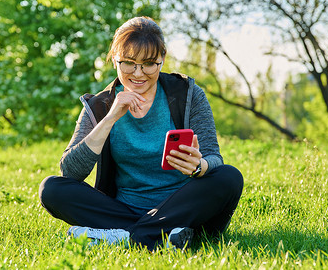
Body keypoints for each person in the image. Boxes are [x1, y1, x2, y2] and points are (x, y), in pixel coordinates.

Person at [39, 16, 243, 251]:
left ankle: (123, 236)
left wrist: (200, 167)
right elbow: (70, 172)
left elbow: (214, 158)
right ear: (115, 59)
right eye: (128, 63)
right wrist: (111, 117)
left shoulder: (188, 94)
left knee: (229, 176)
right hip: (123, 209)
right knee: (51, 188)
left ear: (162, 59)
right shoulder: (100, 105)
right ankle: (163, 236)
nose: (138, 73)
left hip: (183, 209)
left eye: (148, 63)